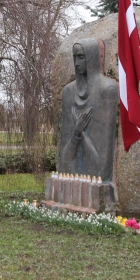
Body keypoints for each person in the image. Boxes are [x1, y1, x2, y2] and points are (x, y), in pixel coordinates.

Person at [59, 38, 118, 182]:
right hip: (73, 178)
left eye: (81, 57)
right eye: (74, 58)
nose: (77, 63)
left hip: (97, 177)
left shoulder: (107, 89)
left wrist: (80, 131)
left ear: (92, 57)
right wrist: (76, 133)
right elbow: (65, 163)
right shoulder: (68, 92)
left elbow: (101, 169)